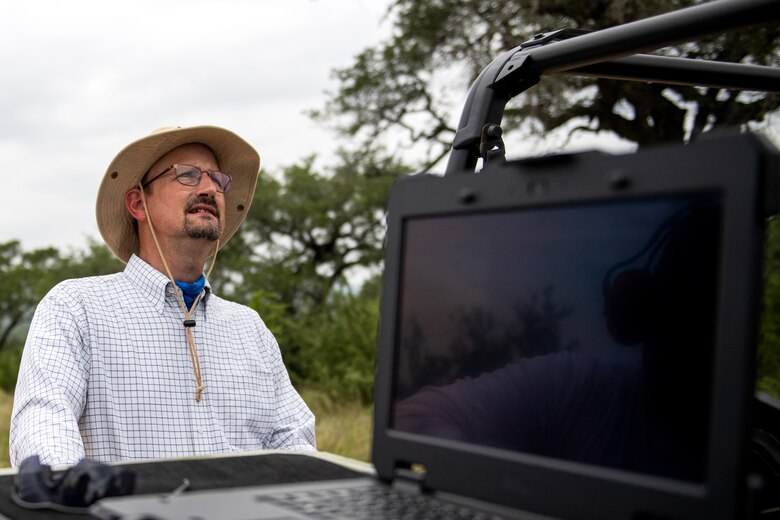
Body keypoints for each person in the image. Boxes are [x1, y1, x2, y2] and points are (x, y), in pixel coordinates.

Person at [10, 126, 316, 468]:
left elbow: (294, 439)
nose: (209, 188)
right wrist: (65, 479)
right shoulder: (76, 307)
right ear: (138, 203)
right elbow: (44, 419)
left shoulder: (250, 328)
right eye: (187, 175)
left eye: (217, 179)